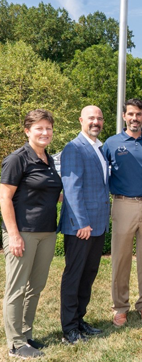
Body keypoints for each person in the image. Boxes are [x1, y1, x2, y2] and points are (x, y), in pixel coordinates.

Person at [0, 110, 62, 359]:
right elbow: (4, 198)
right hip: (22, 232)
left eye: (48, 128)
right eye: (39, 128)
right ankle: (14, 343)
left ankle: (25, 335)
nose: (45, 133)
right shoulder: (17, 159)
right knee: (16, 288)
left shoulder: (49, 159)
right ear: (27, 131)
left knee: (35, 286)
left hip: (47, 232)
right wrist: (13, 235)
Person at [103, 98, 142, 327]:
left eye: (138, 114)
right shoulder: (111, 143)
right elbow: (102, 172)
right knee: (121, 258)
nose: (134, 118)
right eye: (130, 114)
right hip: (123, 204)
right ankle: (120, 307)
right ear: (124, 116)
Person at [57, 106, 110, 344]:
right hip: (81, 227)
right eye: (91, 118)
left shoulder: (99, 148)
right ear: (81, 120)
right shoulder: (74, 148)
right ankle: (69, 329)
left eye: (99, 118)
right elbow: (72, 188)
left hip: (97, 226)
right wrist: (82, 223)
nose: (95, 122)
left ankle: (80, 320)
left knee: (88, 275)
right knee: (74, 276)